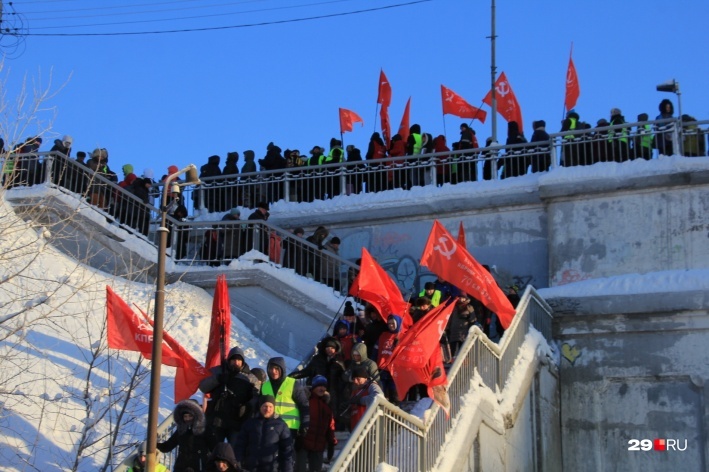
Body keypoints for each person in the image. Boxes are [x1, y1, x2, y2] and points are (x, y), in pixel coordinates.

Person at [199, 346, 258, 450]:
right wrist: (217, 379)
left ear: (243, 362)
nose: (236, 362)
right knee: (213, 451)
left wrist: (247, 408)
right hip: (217, 420)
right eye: (234, 359)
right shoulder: (218, 371)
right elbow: (203, 386)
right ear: (229, 360)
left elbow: (256, 396)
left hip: (238, 421)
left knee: (236, 452)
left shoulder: (249, 378)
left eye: (239, 360)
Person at [260, 357, 308, 471]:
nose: (274, 371)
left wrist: (305, 425)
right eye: (271, 368)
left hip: (290, 428)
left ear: (282, 369)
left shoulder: (292, 384)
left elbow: (304, 405)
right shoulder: (265, 386)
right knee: (271, 459)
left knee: (287, 458)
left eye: (277, 368)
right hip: (270, 427)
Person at [234, 394, 294, 472]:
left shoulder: (281, 425)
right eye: (265, 406)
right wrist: (238, 463)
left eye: (270, 407)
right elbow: (240, 445)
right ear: (260, 407)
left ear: (274, 408)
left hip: (272, 467)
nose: (267, 409)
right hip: (251, 467)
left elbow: (286, 450)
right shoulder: (250, 424)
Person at [157, 399, 210, 472]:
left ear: (195, 416)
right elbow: (167, 446)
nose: (187, 419)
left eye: (190, 416)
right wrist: (154, 444)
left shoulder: (204, 430)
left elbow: (214, 447)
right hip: (181, 467)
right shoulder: (181, 430)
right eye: (185, 416)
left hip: (199, 467)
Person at [302, 375, 337, 472]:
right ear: (313, 387)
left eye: (324, 386)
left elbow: (330, 426)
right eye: (318, 386)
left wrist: (331, 443)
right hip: (303, 442)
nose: (321, 388)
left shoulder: (327, 405)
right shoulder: (305, 401)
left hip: (319, 445)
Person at [348, 366, 384, 431]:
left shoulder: (372, 386)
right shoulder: (355, 389)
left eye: (358, 378)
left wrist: (360, 400)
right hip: (356, 428)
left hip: (369, 428)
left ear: (365, 378)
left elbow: (379, 398)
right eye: (353, 379)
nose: (355, 381)